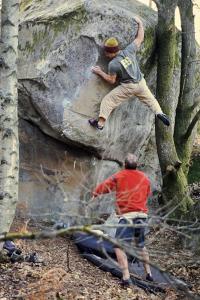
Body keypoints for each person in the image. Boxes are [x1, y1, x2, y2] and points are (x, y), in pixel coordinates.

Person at [89, 16, 170, 130]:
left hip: (128, 87)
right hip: (141, 83)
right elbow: (140, 38)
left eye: (106, 52)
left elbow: (112, 80)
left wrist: (99, 72)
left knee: (108, 100)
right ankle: (159, 113)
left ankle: (100, 124)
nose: (105, 54)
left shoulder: (113, 64)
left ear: (112, 52)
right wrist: (140, 23)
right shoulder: (129, 51)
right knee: (151, 100)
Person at [92, 153, 153, 286]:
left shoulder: (120, 175)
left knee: (118, 247)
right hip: (142, 217)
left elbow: (105, 186)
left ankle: (126, 278)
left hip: (128, 218)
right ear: (137, 165)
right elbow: (148, 193)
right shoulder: (145, 178)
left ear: (125, 164)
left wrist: (95, 193)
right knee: (141, 246)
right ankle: (149, 274)